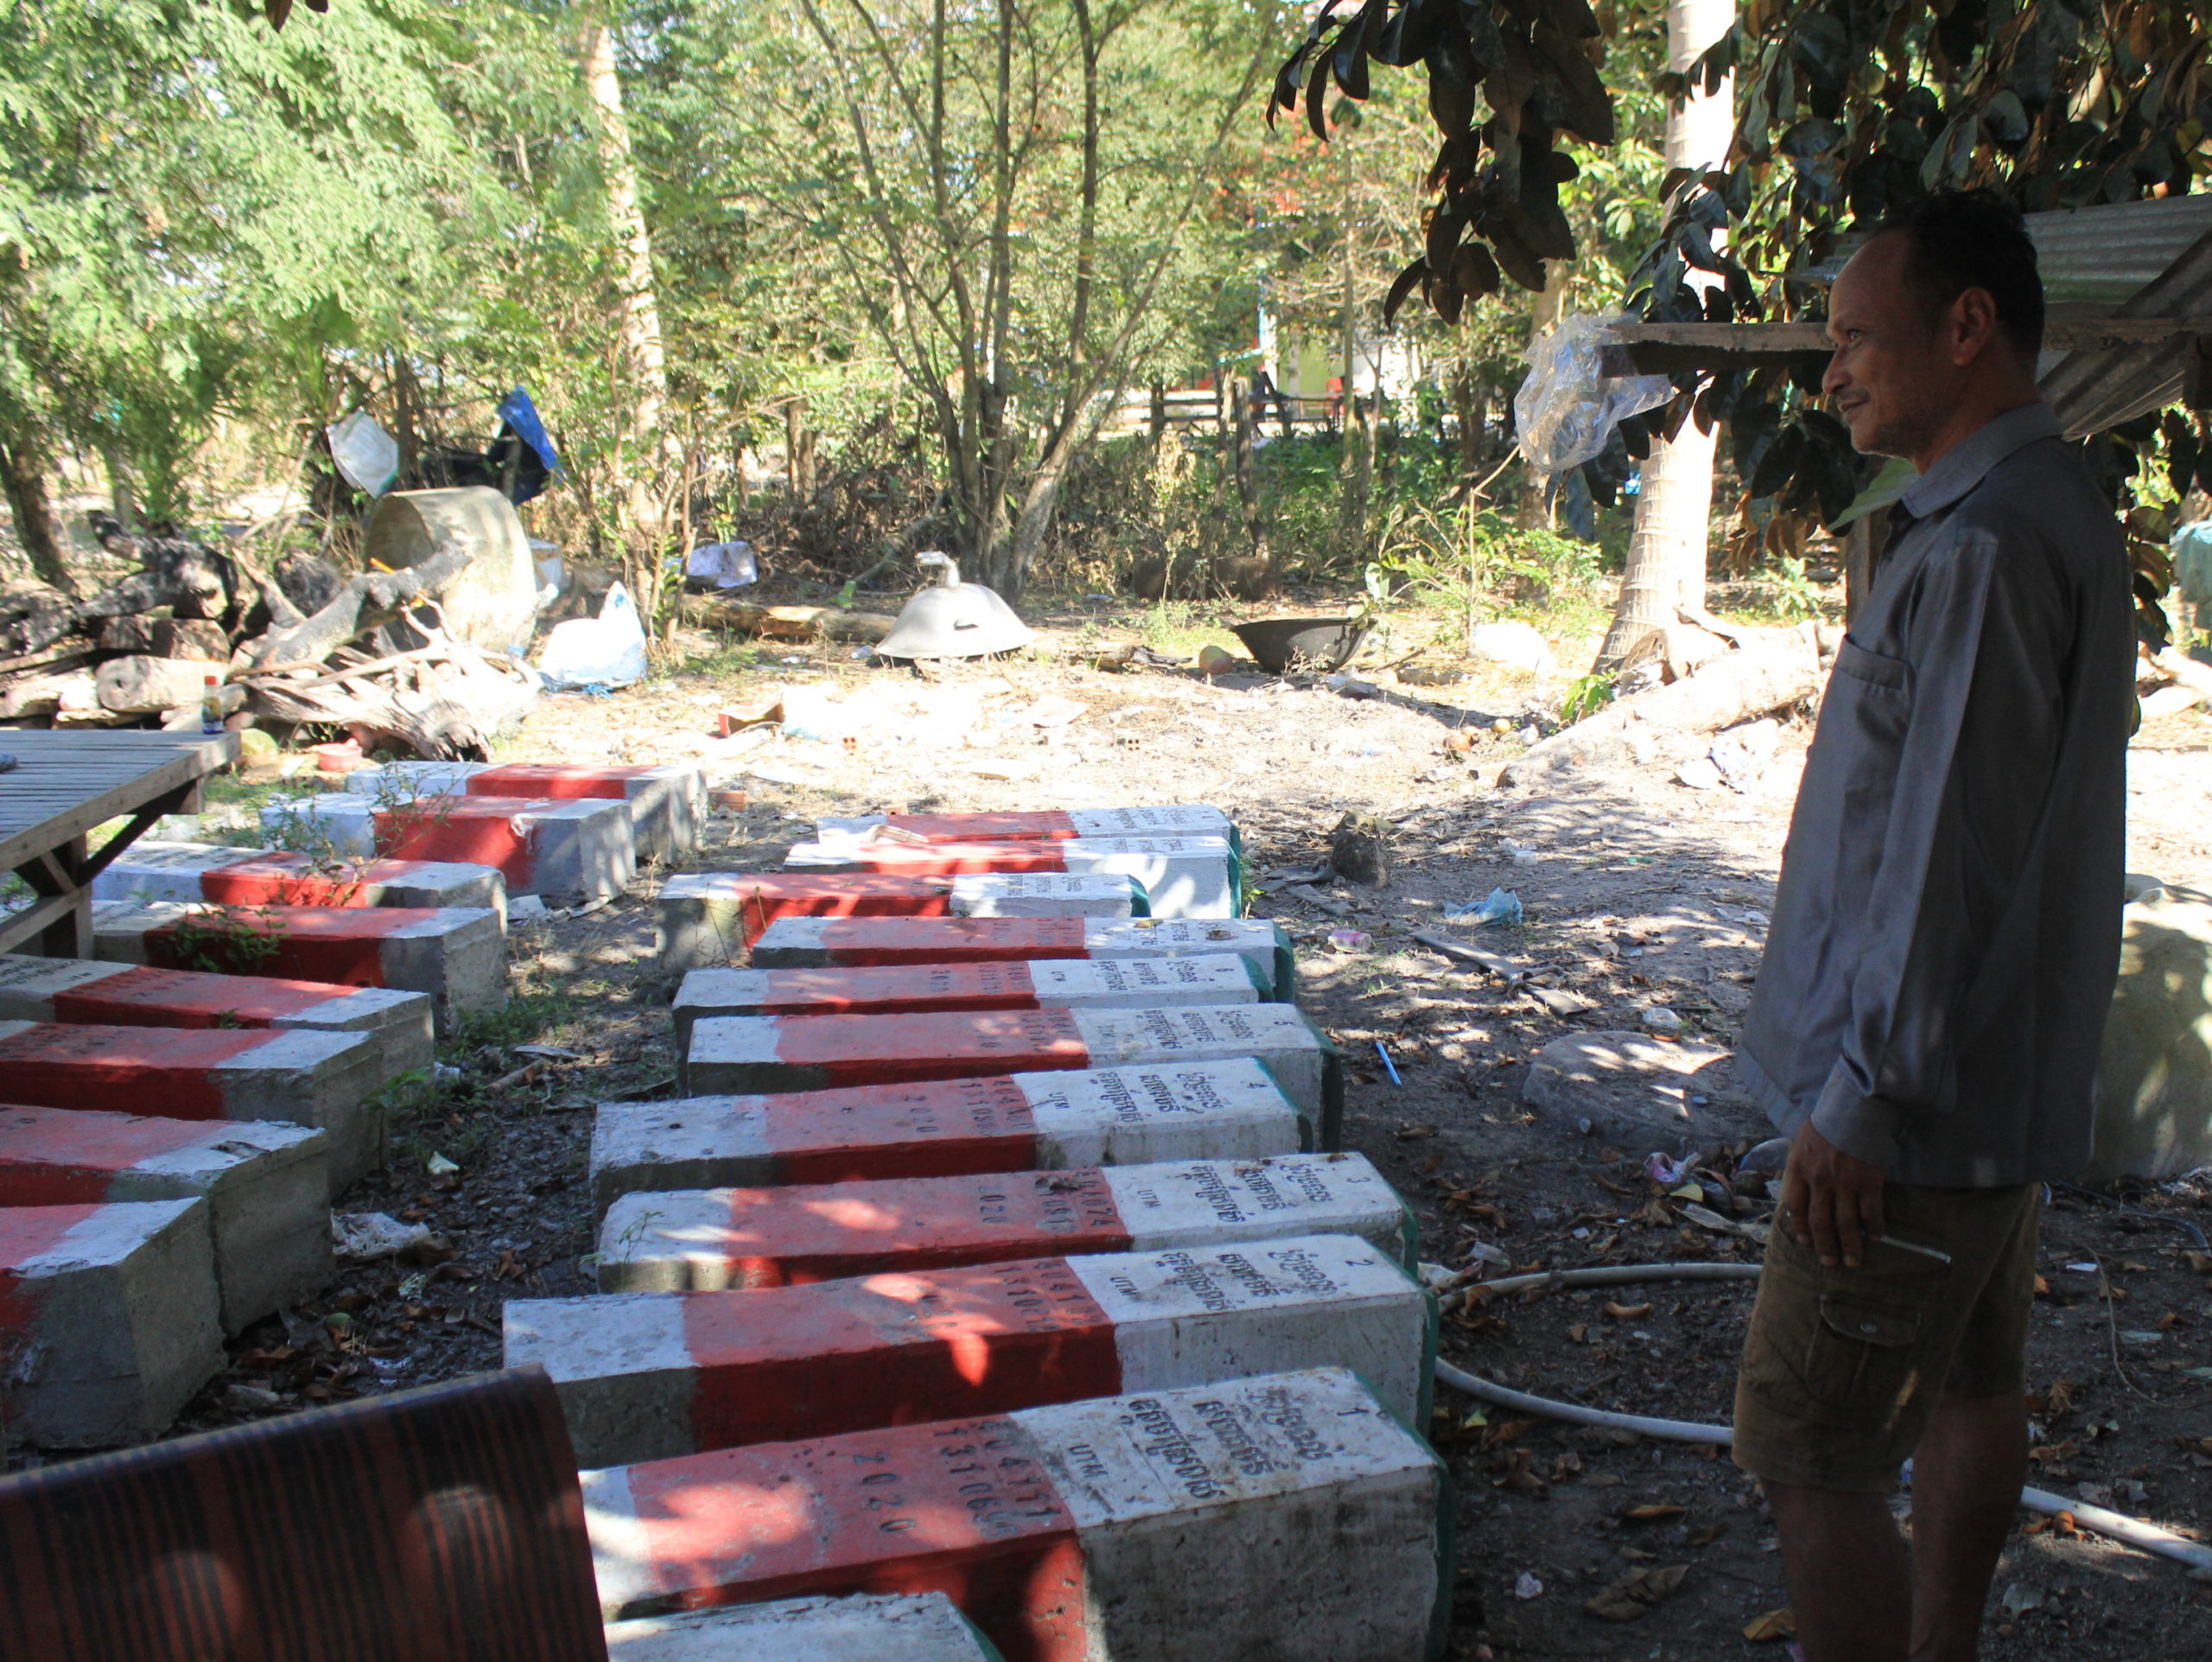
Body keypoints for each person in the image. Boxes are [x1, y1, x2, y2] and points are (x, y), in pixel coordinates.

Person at [1731, 189, 2136, 1662]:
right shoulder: (2046, 509)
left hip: (1909, 1107)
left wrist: (1861, 1098)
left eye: (1854, 338)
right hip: (1991, 1084)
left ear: (1967, 329)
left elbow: (1945, 851)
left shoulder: (1980, 547)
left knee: (1807, 1451)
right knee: (1974, 1382)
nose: (1832, 370)